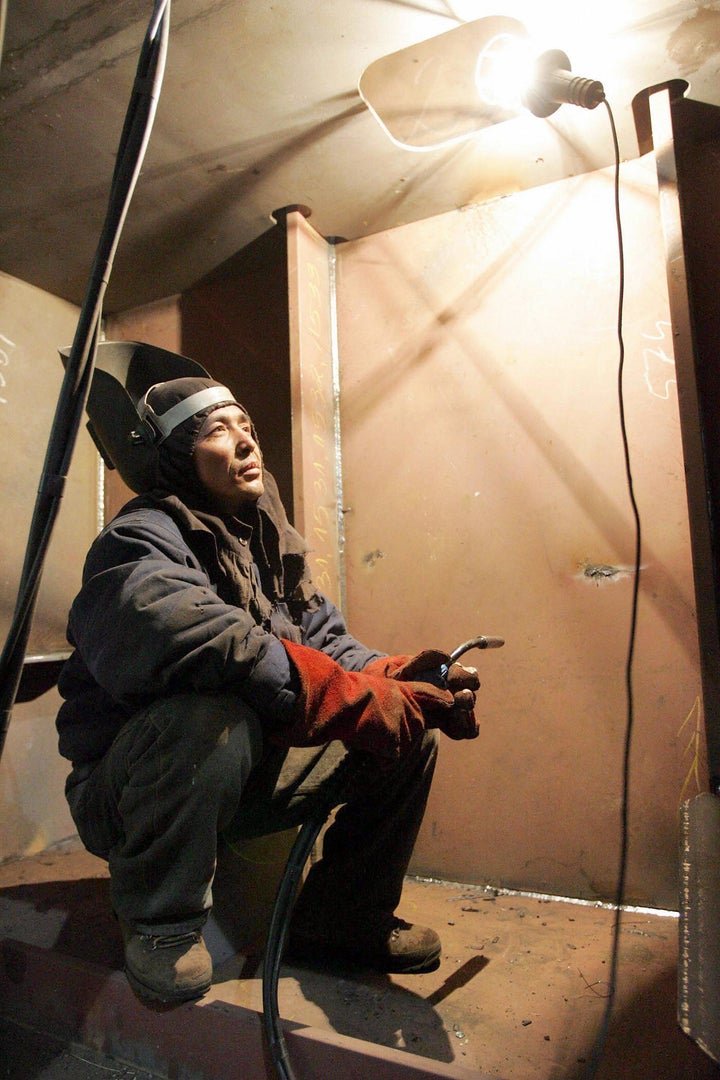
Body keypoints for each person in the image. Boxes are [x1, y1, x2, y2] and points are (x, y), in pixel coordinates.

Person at [56, 364, 480, 1004]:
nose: (247, 441)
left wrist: (396, 678)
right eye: (218, 432)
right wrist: (344, 695)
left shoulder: (264, 539)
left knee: (408, 733)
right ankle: (161, 924)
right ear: (176, 455)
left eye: (246, 425)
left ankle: (341, 921)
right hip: (128, 789)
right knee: (206, 716)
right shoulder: (138, 538)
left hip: (232, 768)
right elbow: (199, 637)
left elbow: (324, 641)